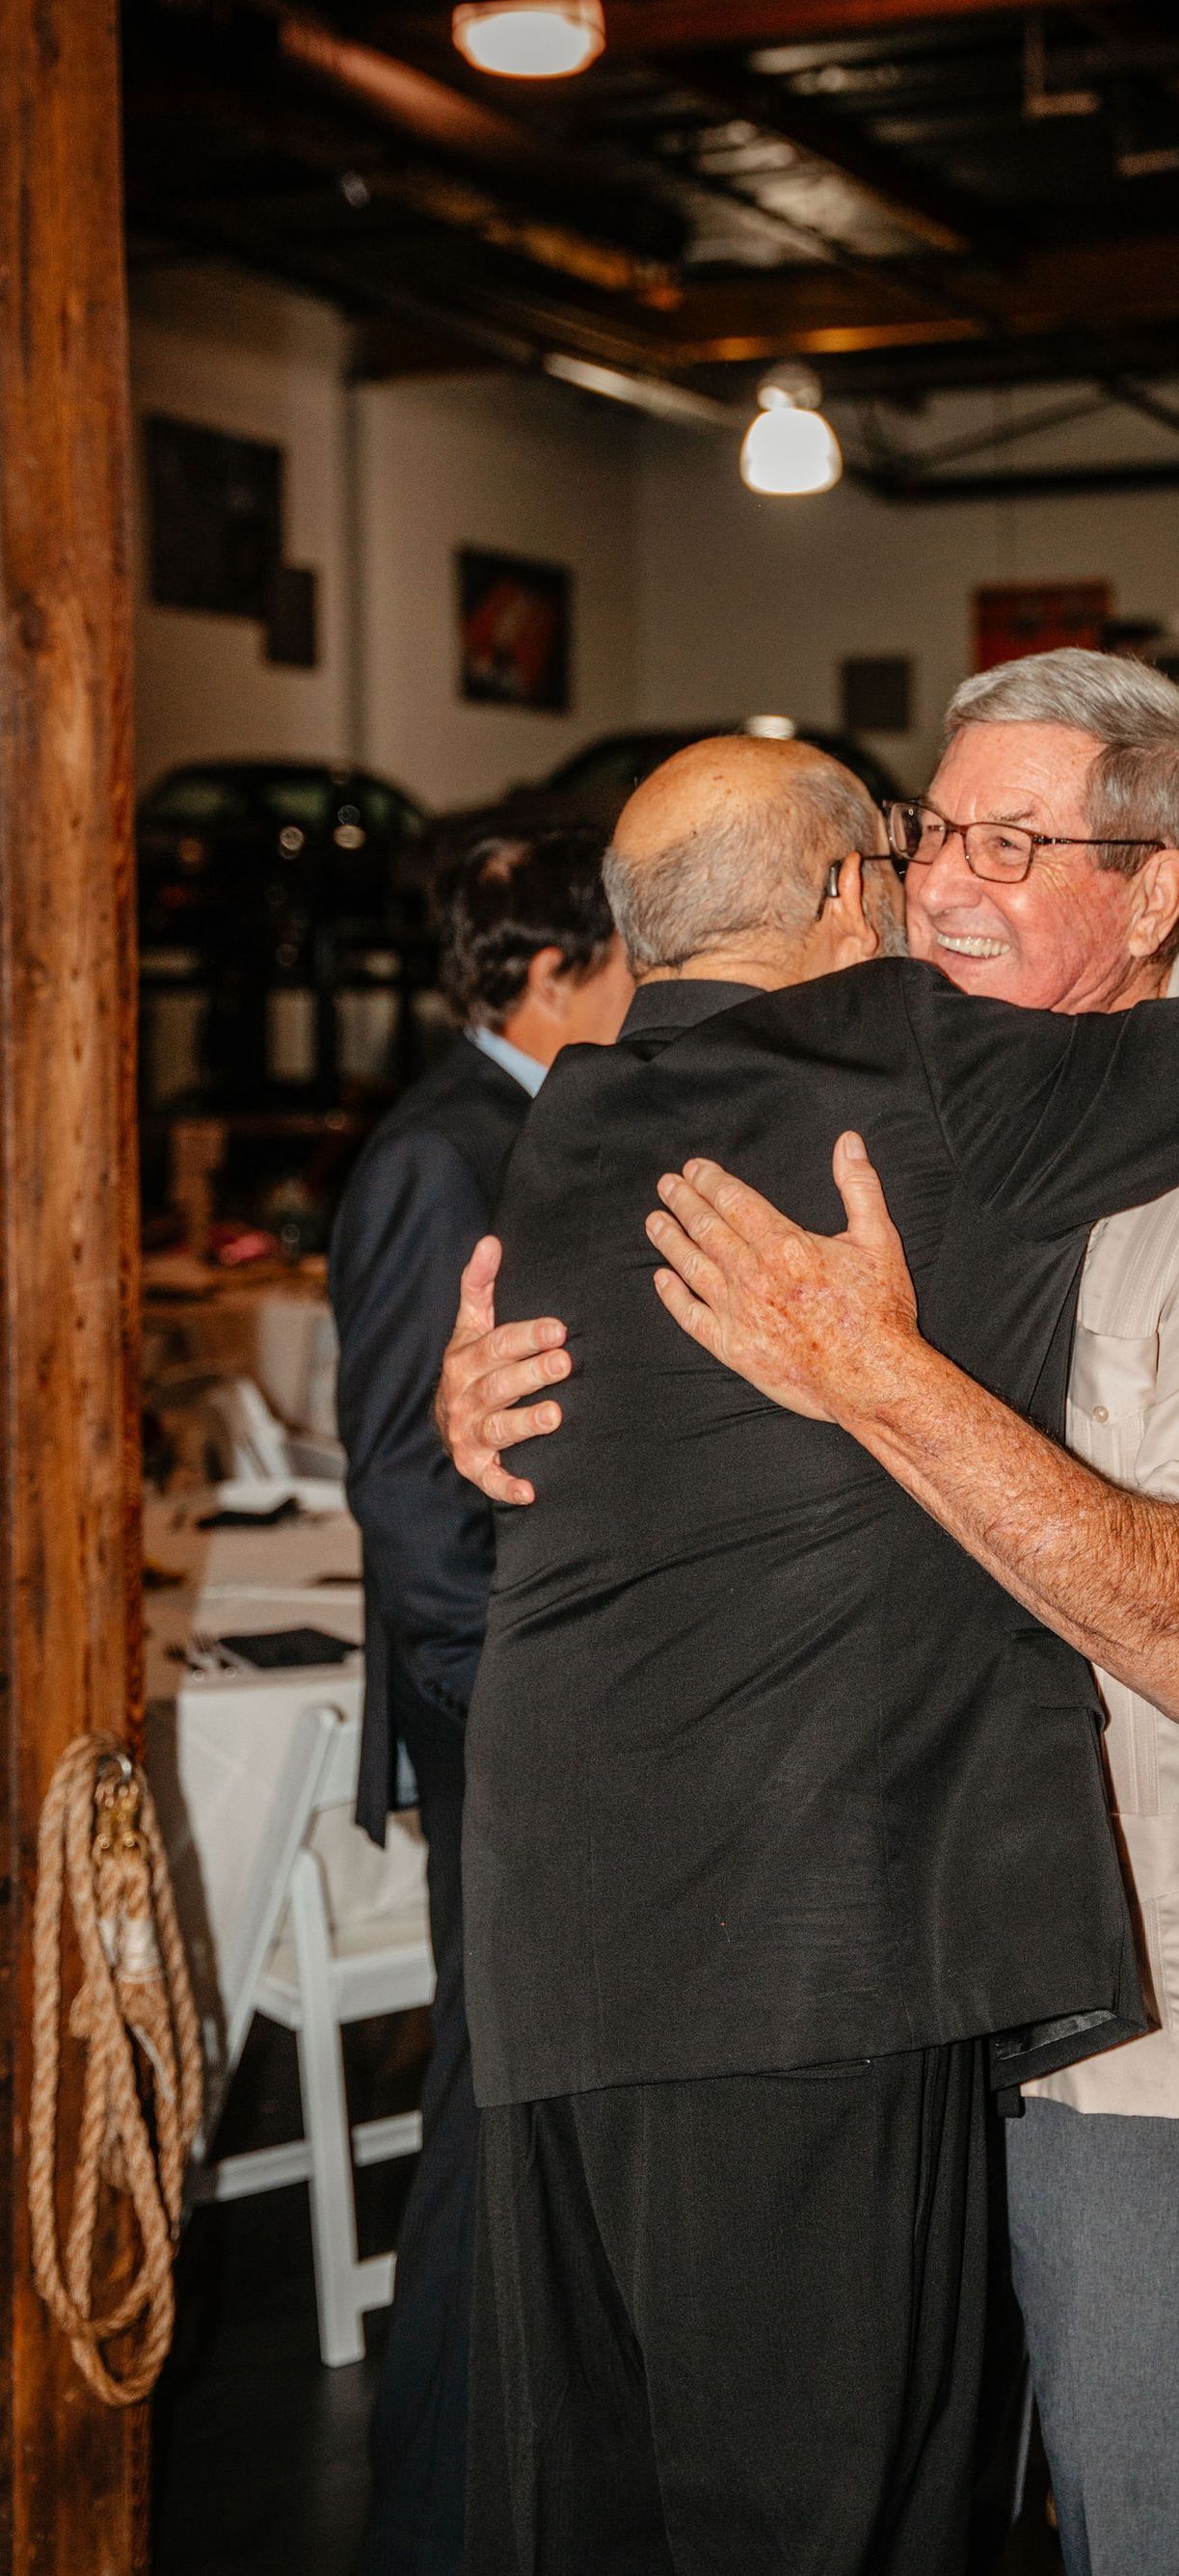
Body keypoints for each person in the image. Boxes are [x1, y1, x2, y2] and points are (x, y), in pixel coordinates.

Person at [440, 665, 1179, 2576]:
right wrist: (500, 1418)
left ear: (1153, 894)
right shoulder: (876, 1078)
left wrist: (875, 1375)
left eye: (1014, 842)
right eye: (932, 830)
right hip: (880, 1951)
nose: (944, 884)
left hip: (1145, 1960)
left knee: (1144, 2507)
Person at [327, 831, 630, 2576]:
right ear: (554, 967)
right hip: (494, 1707)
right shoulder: (448, 1149)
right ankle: (432, 2522)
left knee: (519, 2113)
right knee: (481, 2123)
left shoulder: (517, 1122)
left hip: (530, 1699)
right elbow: (402, 1488)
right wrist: (510, 1704)